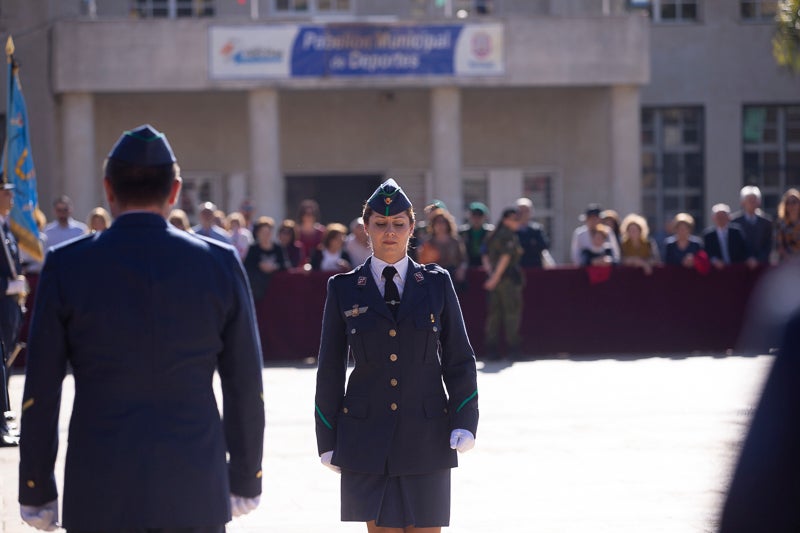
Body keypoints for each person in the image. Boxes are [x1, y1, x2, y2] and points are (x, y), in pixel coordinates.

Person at [18, 124, 265, 531]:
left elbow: (41, 387)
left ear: (107, 190)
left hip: (99, 484)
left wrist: (35, 486)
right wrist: (245, 476)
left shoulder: (67, 265)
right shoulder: (219, 263)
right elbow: (245, 385)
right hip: (195, 483)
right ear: (175, 192)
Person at [314, 178, 478, 532]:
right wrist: (327, 439)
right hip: (366, 437)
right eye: (381, 224)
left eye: (398, 224)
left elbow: (458, 358)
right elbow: (329, 369)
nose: (390, 232)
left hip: (427, 434)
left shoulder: (436, 283)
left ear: (411, 227)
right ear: (366, 228)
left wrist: (466, 418)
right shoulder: (343, 289)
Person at [0, 173, 27, 447]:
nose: (10, 197)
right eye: (5, 192)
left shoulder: (5, 228)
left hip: (8, 309)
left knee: (4, 365)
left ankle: (2, 419)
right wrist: (8, 286)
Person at [482, 206, 524, 360]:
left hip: (496, 278)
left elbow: (485, 256)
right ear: (506, 220)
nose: (517, 222)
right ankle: (513, 350)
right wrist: (495, 278)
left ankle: (492, 350)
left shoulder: (493, 234)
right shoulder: (508, 235)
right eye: (515, 219)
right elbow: (505, 258)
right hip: (506, 280)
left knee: (494, 315)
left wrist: (491, 276)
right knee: (511, 314)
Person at [416, 208, 468, 289]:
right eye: (437, 222)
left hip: (452, 277)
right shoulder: (427, 243)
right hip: (434, 278)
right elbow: (421, 265)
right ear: (433, 225)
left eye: (443, 222)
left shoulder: (455, 241)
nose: (440, 225)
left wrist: (461, 269)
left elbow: (463, 260)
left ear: (448, 224)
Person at [244, 216, 285, 302]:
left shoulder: (278, 248)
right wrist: (259, 265)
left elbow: (285, 265)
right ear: (258, 233)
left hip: (276, 292)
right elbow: (247, 266)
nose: (266, 235)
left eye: (268, 232)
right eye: (263, 232)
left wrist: (275, 267)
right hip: (258, 293)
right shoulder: (253, 248)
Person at [701, 203, 752, 269]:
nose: (721, 219)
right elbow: (706, 253)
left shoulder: (736, 232)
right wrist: (715, 261)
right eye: (718, 216)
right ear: (713, 218)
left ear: (729, 217)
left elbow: (745, 248)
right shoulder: (708, 235)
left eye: (723, 216)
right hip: (717, 270)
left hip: (735, 269)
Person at [731, 185, 773, 265]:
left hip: (761, 265)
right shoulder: (734, 222)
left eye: (754, 200)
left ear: (759, 202)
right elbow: (734, 246)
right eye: (749, 200)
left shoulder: (766, 222)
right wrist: (747, 259)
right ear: (743, 202)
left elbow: (768, 245)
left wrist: (758, 260)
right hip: (741, 265)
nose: (752, 203)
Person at [515, 197, 553, 268]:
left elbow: (544, 245)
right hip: (518, 268)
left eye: (526, 211)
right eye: (521, 211)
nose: (523, 214)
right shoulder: (512, 230)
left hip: (535, 266)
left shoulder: (536, 229)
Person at [459, 201, 493, 268]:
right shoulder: (463, 232)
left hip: (487, 265)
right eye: (474, 215)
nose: (476, 219)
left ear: (485, 217)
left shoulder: (490, 232)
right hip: (467, 264)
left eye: (480, 216)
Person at [296, 199, 325, 266]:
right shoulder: (295, 232)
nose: (309, 217)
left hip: (317, 267)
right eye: (306, 214)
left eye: (311, 214)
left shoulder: (322, 232)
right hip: (299, 267)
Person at [775, 187, 800, 262]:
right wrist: (790, 259)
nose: (791, 205)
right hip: (786, 264)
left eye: (794, 202)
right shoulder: (780, 224)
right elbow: (778, 246)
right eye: (788, 202)